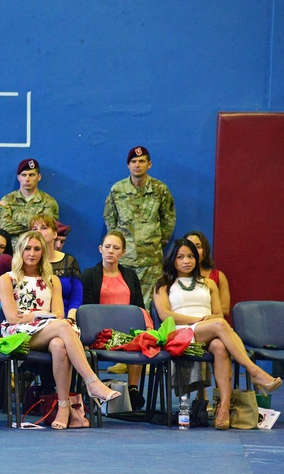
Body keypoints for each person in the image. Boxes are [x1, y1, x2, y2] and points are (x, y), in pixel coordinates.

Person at [153, 239, 281, 429]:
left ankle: (223, 408)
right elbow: (165, 315)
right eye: (180, 257)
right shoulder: (163, 284)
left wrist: (208, 321)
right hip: (181, 333)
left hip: (209, 330)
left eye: (190, 256)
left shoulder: (209, 284)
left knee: (221, 347)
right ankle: (253, 370)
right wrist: (196, 320)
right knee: (220, 325)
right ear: (172, 260)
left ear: (196, 259)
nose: (186, 261)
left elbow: (218, 313)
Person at [0, 231, 120, 430]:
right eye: (27, 248)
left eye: (37, 249)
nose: (32, 253)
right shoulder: (7, 279)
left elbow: (58, 313)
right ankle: (92, 382)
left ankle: (64, 409)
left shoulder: (52, 279)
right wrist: (36, 316)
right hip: (18, 333)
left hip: (48, 330)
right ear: (19, 250)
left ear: (43, 252)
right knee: (63, 327)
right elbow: (12, 317)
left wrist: (33, 315)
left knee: (59, 345)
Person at [81, 231, 147, 410]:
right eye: (107, 247)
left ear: (123, 252)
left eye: (116, 248)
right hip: (99, 333)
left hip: (127, 332)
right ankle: (91, 385)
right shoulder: (89, 275)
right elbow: (86, 308)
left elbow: (139, 306)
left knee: (140, 339)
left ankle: (133, 389)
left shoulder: (130, 275)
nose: (111, 251)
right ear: (100, 249)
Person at [104, 146, 176, 304]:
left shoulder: (160, 190)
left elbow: (168, 220)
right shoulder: (117, 190)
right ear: (128, 165)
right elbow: (111, 220)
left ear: (149, 164)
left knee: (150, 305)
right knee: (122, 302)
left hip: (151, 262)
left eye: (142, 161)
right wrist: (119, 248)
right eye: (134, 161)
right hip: (124, 259)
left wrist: (155, 243)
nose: (137, 165)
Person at [30, 214, 82, 321]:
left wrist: (71, 319)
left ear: (54, 234)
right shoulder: (27, 262)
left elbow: (76, 298)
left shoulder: (69, 261)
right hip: (34, 319)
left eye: (44, 228)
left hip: (64, 318)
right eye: (34, 229)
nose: (38, 232)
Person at [0, 159, 59, 239]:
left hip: (38, 248)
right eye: (24, 175)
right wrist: (35, 228)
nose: (27, 179)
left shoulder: (48, 202)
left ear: (39, 177)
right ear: (18, 177)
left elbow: (48, 230)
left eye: (31, 175)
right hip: (12, 249)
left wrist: (16, 219)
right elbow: (3, 227)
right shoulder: (8, 200)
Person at [184, 231, 231, 319]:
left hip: (212, 322)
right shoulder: (176, 278)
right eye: (190, 247)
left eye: (198, 247)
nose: (194, 251)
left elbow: (225, 309)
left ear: (205, 249)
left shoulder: (218, 276)